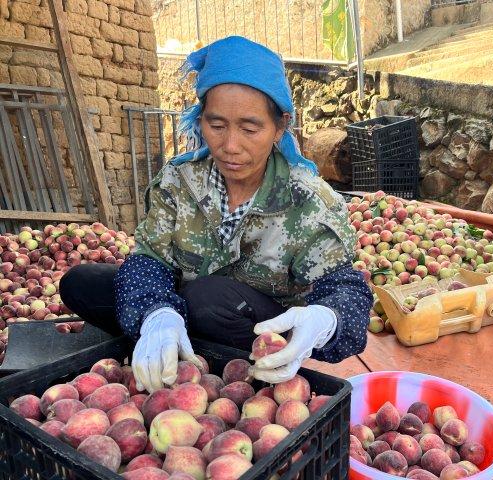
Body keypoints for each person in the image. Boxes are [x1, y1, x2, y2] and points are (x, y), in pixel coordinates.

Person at [60, 36, 372, 393]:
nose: (230, 146)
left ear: (280, 127)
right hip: (186, 307)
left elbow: (345, 290)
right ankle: (176, 343)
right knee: (82, 283)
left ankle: (246, 371)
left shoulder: (308, 200)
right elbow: (149, 258)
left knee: (207, 298)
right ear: (201, 119)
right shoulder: (180, 180)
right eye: (217, 125)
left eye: (250, 128)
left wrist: (325, 319)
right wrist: (156, 313)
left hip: (253, 325)